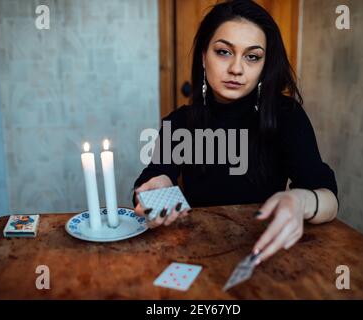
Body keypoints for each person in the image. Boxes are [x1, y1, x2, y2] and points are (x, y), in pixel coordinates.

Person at [133, 0, 339, 265]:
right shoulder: (180, 123)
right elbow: (150, 184)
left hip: (267, 255)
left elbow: (329, 200)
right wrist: (158, 186)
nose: (237, 69)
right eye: (223, 52)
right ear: (204, 57)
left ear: (264, 65)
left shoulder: (286, 116)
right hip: (200, 253)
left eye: (252, 56)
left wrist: (299, 200)